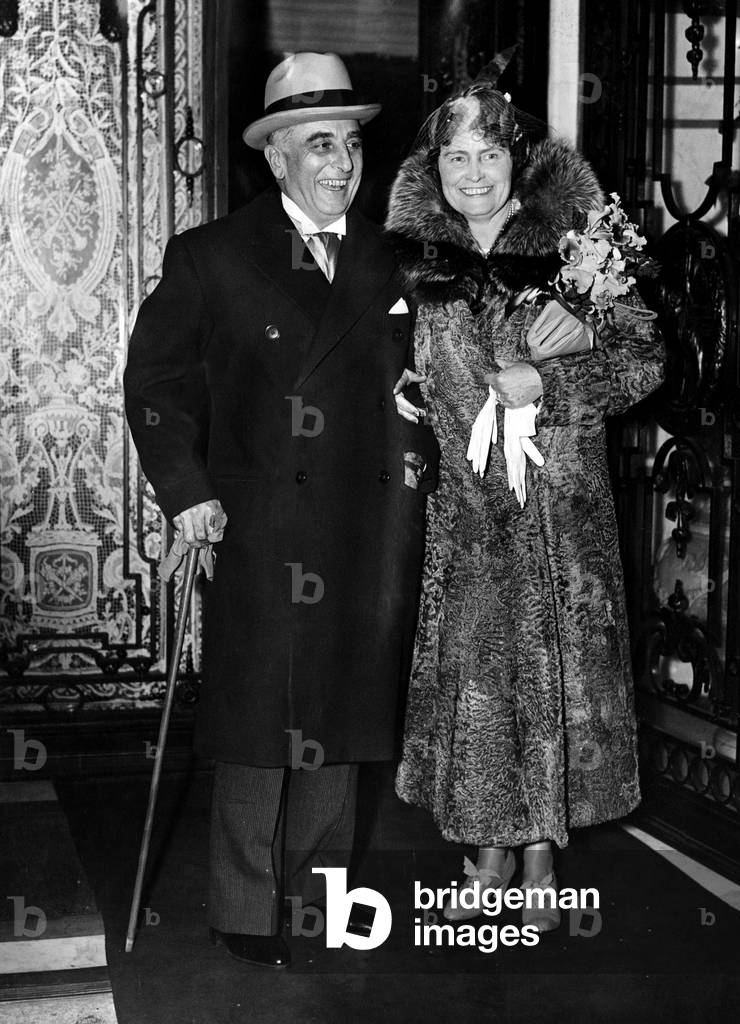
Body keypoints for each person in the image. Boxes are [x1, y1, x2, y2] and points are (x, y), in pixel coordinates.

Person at [124, 52, 437, 967]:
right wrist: (188, 495)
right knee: (260, 722)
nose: (340, 161)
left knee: (341, 717)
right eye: (317, 144)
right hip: (256, 524)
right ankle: (245, 908)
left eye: (348, 143)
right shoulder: (212, 256)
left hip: (368, 527)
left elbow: (439, 380)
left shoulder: (398, 260)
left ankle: (318, 900)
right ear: (275, 157)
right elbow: (157, 384)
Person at [386, 70, 665, 931]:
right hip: (466, 519)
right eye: (457, 156)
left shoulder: (581, 252)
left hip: (559, 513)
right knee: (478, 683)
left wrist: (551, 371)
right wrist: (402, 383)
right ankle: (486, 843)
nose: (475, 173)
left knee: (548, 671)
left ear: (521, 159)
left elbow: (644, 360)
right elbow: (391, 362)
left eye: (491, 153)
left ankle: (540, 844)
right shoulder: (411, 261)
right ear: (435, 168)